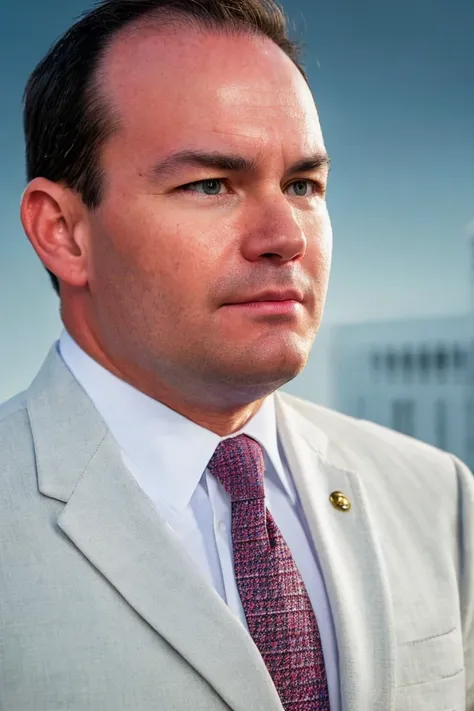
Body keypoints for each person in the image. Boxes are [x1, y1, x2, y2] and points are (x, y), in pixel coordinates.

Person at [0, 0, 472, 708]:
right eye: (211, 184)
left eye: (303, 185)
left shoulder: (439, 499)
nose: (286, 236)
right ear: (64, 231)